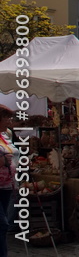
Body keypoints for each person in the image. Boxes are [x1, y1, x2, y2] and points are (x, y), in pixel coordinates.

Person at [0, 107, 16, 257]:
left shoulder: (6, 135)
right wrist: (3, 161)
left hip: (6, 185)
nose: (10, 120)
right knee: (2, 224)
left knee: (3, 224)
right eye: (7, 117)